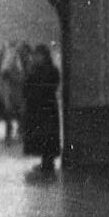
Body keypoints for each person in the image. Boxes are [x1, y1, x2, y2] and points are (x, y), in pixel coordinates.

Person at [21, 44, 63, 174]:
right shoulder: (35, 69)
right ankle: (45, 161)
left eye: (39, 55)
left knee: (47, 135)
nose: (36, 58)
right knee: (40, 135)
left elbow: (49, 86)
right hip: (37, 108)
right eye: (35, 55)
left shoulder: (50, 70)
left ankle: (48, 162)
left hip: (45, 108)